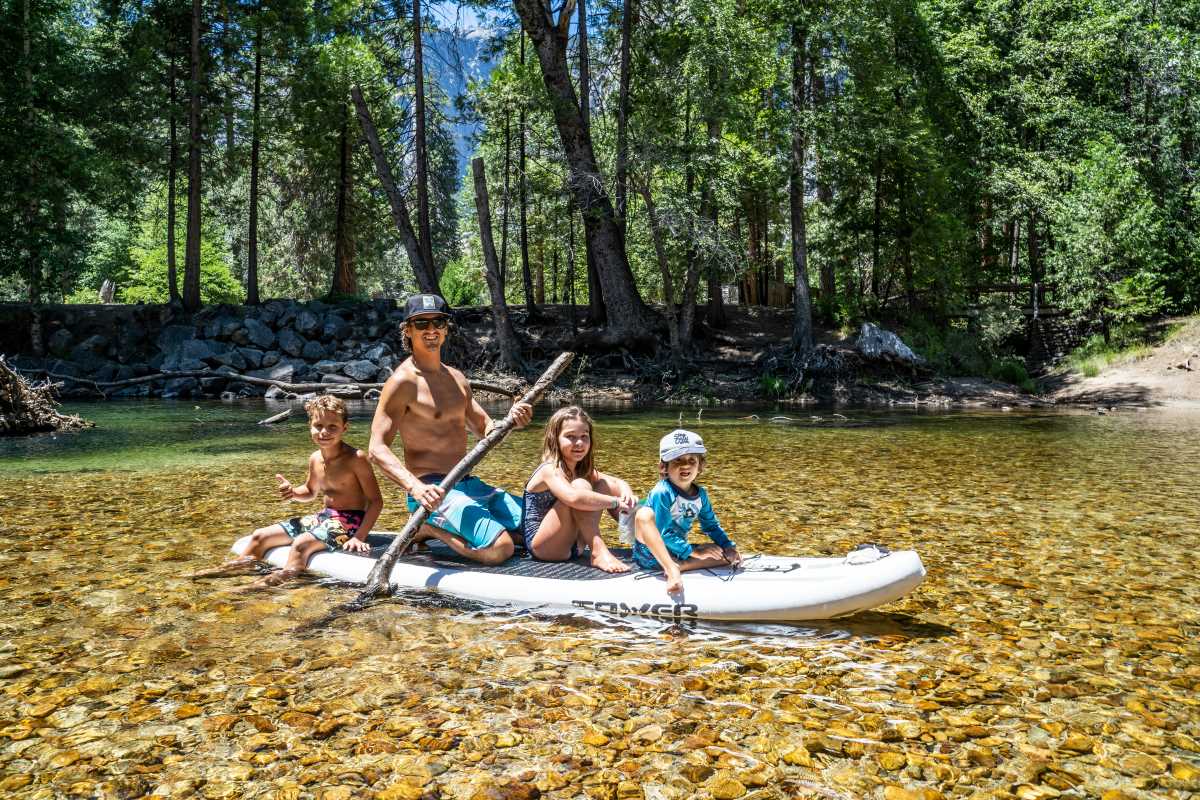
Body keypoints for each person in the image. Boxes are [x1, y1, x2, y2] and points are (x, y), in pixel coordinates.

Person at [368, 293, 532, 565]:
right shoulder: (402, 383)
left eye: (438, 322)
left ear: (446, 328)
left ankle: (455, 528)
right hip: (432, 491)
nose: (431, 330)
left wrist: (512, 420)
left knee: (543, 531)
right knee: (500, 548)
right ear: (407, 330)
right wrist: (416, 488)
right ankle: (429, 529)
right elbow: (376, 448)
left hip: (468, 484)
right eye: (421, 323)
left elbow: (485, 429)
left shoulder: (457, 378)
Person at [193, 395, 383, 586]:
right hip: (324, 516)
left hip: (350, 521)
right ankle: (236, 568)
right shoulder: (315, 458)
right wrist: (293, 492)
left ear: (345, 428)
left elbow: (376, 501)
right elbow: (309, 491)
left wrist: (359, 536)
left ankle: (275, 581)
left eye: (332, 426)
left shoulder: (356, 458)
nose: (324, 432)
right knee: (260, 536)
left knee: (301, 544)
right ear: (310, 426)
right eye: (318, 426)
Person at [523, 406, 635, 573]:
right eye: (570, 437)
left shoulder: (580, 469)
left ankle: (640, 540)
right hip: (546, 547)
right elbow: (573, 497)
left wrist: (626, 492)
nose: (579, 443)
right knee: (580, 486)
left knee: (603, 485)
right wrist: (615, 502)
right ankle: (598, 551)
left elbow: (615, 482)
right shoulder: (549, 469)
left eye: (584, 436)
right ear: (555, 439)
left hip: (576, 544)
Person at [632, 428, 742, 593]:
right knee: (644, 514)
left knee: (729, 556)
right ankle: (672, 569)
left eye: (692, 460)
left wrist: (728, 546)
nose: (685, 465)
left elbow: (711, 525)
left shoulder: (701, 495)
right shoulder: (662, 492)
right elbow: (662, 533)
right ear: (663, 467)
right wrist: (694, 551)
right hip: (651, 554)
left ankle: (683, 565)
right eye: (677, 460)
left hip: (678, 550)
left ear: (700, 466)